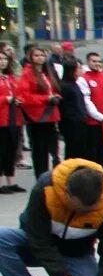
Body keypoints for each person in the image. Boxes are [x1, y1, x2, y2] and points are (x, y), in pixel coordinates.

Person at [0, 158, 103, 276]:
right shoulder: (45, 189)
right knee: (2, 238)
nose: (83, 213)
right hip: (36, 246)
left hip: (76, 253)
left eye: (89, 211)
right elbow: (39, 240)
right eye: (78, 209)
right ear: (66, 192)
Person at [17, 44, 61, 179]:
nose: (40, 58)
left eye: (42, 55)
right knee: (39, 148)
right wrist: (45, 98)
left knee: (52, 147)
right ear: (30, 57)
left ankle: (50, 174)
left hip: (50, 115)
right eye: (36, 55)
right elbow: (24, 96)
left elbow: (53, 89)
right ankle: (41, 175)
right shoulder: (27, 73)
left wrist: (55, 96)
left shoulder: (47, 72)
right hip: (36, 116)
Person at [76, 52, 103, 168]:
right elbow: (86, 101)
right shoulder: (83, 79)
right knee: (93, 150)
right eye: (93, 61)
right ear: (88, 62)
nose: (97, 64)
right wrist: (101, 117)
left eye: (99, 61)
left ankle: (102, 171)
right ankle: (93, 172)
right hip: (92, 122)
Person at [56, 56, 90, 163]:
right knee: (73, 150)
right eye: (78, 68)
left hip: (80, 121)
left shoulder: (75, 84)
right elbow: (64, 107)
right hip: (71, 123)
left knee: (82, 149)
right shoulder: (65, 86)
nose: (81, 71)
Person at [0, 53, 21, 193]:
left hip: (13, 119)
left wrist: (17, 99)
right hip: (1, 119)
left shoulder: (10, 78)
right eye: (0, 59)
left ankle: (10, 181)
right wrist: (5, 99)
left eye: (4, 59)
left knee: (11, 151)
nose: (3, 62)